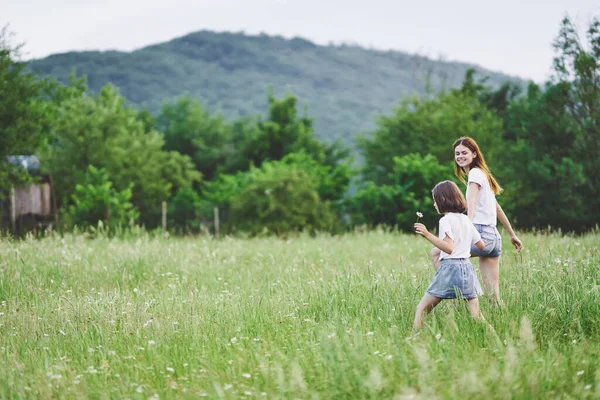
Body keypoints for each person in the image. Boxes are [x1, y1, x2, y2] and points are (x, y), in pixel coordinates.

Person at [430, 137, 523, 303]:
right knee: (493, 294)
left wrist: (467, 225)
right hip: (493, 237)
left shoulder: (474, 174)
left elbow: (471, 201)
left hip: (480, 232)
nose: (460, 156)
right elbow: (497, 208)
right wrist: (511, 234)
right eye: (457, 153)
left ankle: (453, 297)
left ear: (474, 154)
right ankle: (498, 315)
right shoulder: (483, 175)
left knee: (436, 254)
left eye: (464, 153)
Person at [413, 180, 486, 329]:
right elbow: (481, 246)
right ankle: (495, 341)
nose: (434, 204)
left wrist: (427, 235)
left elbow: (449, 248)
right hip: (467, 268)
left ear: (442, 200)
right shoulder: (466, 220)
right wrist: (463, 251)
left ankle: (414, 340)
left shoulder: (445, 220)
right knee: (476, 317)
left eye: (435, 201)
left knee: (421, 309)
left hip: (450, 269)